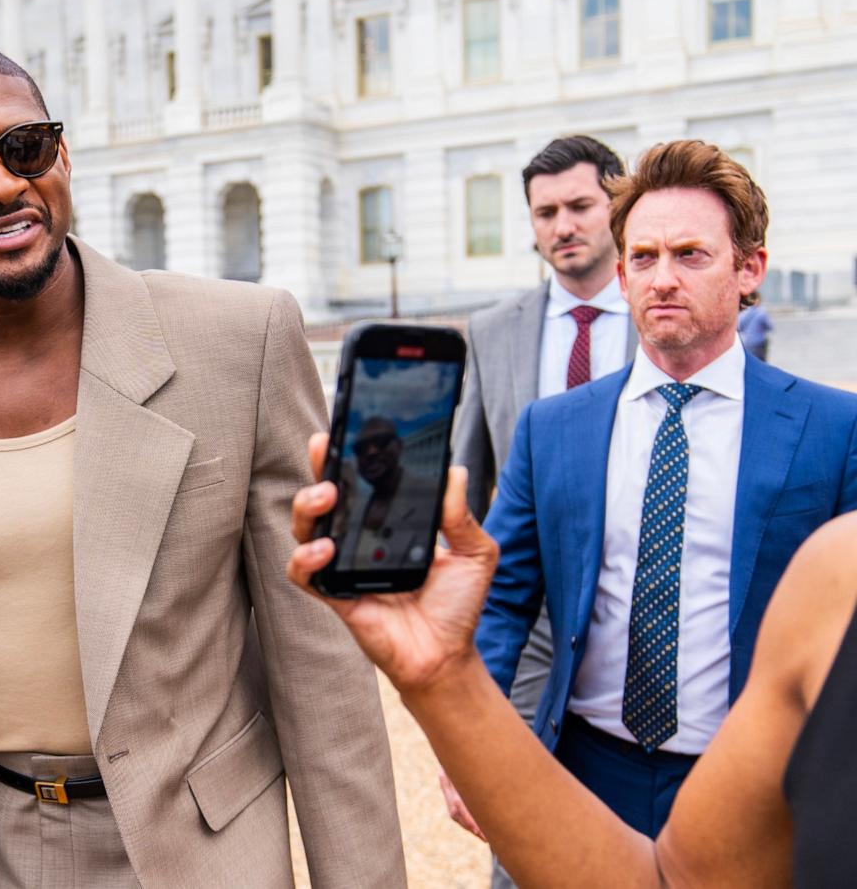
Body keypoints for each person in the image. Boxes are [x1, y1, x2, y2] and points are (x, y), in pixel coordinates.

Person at [0, 41, 404, 888]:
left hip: (194, 849)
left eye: (27, 148)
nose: (3, 184)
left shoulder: (241, 341)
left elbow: (319, 667)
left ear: (62, 155)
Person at [448, 140, 857, 841]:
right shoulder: (554, 428)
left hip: (755, 778)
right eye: (643, 258)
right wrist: (469, 752)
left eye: (690, 255)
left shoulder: (833, 425)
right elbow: (504, 602)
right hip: (586, 771)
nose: (662, 278)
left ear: (748, 268)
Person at [285, 443, 857, 887]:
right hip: (600, 752)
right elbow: (678, 881)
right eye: (641, 277)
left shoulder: (831, 432)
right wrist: (442, 676)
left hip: (718, 739)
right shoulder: (836, 577)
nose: (663, 283)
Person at [449, 134, 635, 887]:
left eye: (581, 206)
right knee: (517, 832)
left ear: (616, 205)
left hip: (639, 615)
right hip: (527, 631)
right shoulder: (492, 333)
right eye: (546, 211)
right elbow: (468, 479)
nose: (563, 225)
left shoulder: (663, 314)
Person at [336, 416, 439, 570]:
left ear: (399, 446)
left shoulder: (432, 494)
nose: (371, 452)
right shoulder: (357, 508)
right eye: (361, 448)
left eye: (381, 441)